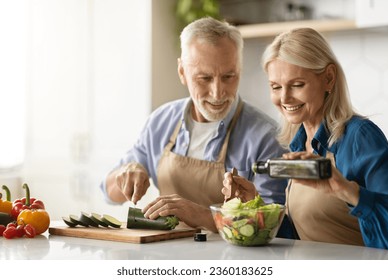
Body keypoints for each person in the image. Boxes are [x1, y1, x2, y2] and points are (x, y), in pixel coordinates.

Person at [100, 17, 287, 232]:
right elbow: (108, 193)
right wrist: (126, 172)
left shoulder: (267, 137)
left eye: (228, 76)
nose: (218, 93)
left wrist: (198, 214)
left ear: (240, 69)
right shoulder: (160, 122)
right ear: (182, 72)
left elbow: (274, 226)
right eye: (204, 78)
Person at [222, 27, 388, 249]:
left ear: (329, 78)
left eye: (297, 85)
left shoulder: (359, 137)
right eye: (276, 87)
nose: (284, 97)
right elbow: (300, 237)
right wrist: (255, 203)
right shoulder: (298, 144)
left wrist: (348, 191)